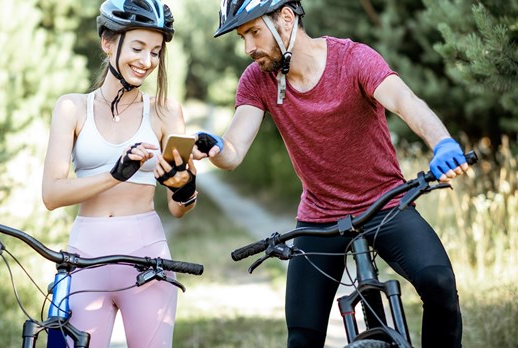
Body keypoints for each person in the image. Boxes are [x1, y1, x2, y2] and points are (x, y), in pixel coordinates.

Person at [194, 1, 469, 347]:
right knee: (302, 337)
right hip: (321, 218)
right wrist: (215, 147)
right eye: (242, 36)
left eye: (253, 32)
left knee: (439, 283)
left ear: (286, 18)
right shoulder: (259, 80)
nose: (248, 48)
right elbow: (233, 152)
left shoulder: (352, 59)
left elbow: (404, 101)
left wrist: (441, 142)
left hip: (384, 204)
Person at [41, 0, 198, 347]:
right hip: (85, 258)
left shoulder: (166, 111)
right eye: (138, 48)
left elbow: (178, 208)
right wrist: (115, 175)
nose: (147, 62)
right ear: (107, 42)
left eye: (156, 52)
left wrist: (185, 188)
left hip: (148, 258)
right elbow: (51, 194)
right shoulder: (71, 108)